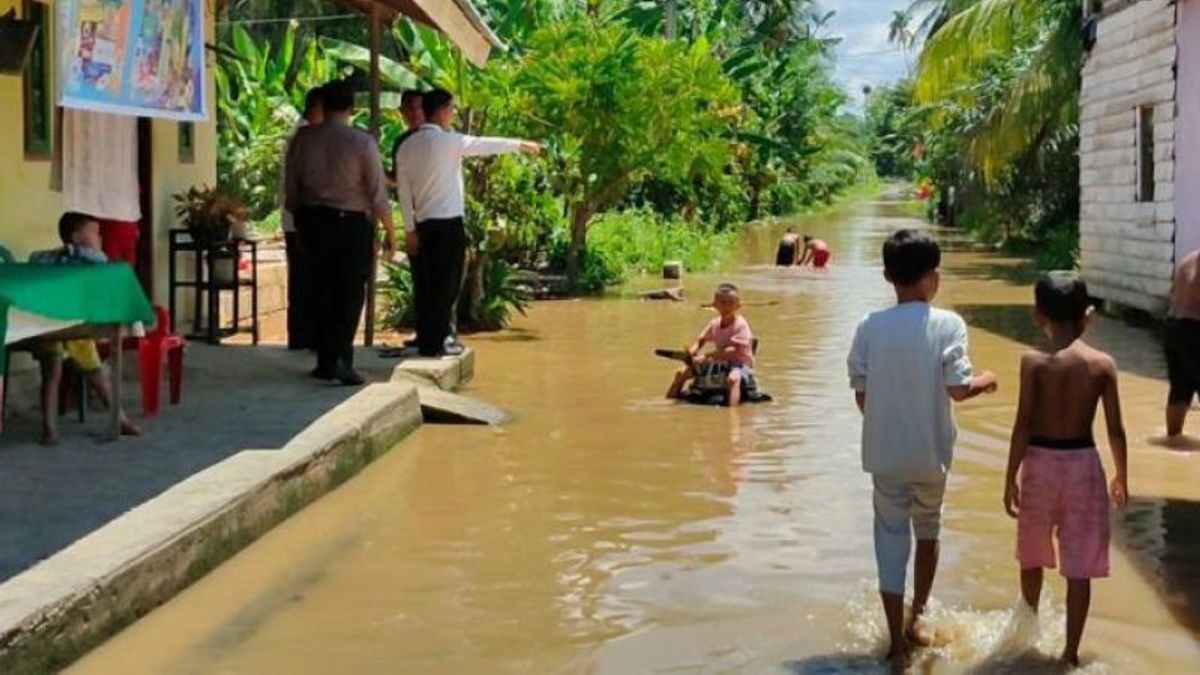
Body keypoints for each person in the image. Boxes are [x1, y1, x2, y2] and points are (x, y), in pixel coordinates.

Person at [846, 229, 997, 665]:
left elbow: (862, 396)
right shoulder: (948, 323)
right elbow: (958, 388)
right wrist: (987, 381)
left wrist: (887, 423)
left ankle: (895, 643)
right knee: (928, 530)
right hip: (931, 456)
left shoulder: (869, 327)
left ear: (887, 275)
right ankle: (918, 617)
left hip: (885, 456)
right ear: (934, 276)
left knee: (889, 541)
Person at [1003, 272, 1128, 667]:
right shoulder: (1102, 364)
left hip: (1039, 464)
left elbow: (1023, 423)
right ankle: (1070, 654)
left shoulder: (1033, 362)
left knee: (1032, 556)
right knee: (1080, 566)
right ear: (1088, 316)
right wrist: (1122, 475)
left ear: (1038, 316)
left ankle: (1029, 632)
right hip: (1083, 467)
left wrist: (1009, 476)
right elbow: (1116, 430)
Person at [395, 88, 543, 358]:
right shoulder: (450, 142)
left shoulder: (406, 146)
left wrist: (409, 229)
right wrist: (520, 144)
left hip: (422, 224)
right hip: (449, 225)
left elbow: (403, 192)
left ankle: (429, 338)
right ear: (441, 111)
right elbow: (485, 144)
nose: (452, 115)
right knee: (448, 284)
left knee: (427, 283)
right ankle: (437, 341)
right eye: (451, 110)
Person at [284, 80, 397, 385]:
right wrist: (390, 231)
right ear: (351, 107)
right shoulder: (361, 142)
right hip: (350, 224)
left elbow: (290, 188)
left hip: (311, 220)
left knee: (319, 290)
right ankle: (341, 358)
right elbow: (377, 193)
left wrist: (301, 216)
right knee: (348, 292)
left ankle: (325, 360)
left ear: (324, 105)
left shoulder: (303, 139)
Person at [30, 212, 141, 446]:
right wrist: (67, 252)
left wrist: (76, 252)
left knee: (97, 374)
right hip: (49, 324)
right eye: (95, 233)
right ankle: (49, 428)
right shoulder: (55, 258)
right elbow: (34, 259)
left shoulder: (93, 261)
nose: (100, 238)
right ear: (77, 237)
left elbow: (100, 260)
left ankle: (119, 418)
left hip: (77, 326)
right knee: (52, 372)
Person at [280, 86, 325, 351]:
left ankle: (303, 335)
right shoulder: (304, 137)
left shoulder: (302, 135)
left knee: (303, 279)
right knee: (305, 280)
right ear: (317, 109)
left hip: (297, 219)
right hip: (301, 219)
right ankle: (303, 336)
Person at [666, 283, 756, 407]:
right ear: (715, 305)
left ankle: (733, 413)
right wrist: (691, 354)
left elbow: (732, 350)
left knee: (733, 379)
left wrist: (705, 357)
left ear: (738, 305)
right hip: (718, 361)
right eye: (723, 303)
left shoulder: (741, 324)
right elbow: (700, 340)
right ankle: (669, 403)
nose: (727, 307)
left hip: (739, 363)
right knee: (681, 373)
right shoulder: (714, 323)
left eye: (731, 303)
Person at [389, 90, 427, 351]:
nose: (413, 114)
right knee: (420, 279)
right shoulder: (401, 143)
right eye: (408, 110)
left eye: (418, 108)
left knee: (441, 281)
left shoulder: (437, 139)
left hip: (436, 215)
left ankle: (442, 332)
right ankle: (424, 332)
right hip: (413, 217)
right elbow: (398, 181)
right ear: (401, 113)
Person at [1165, 248, 1200, 438]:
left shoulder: (1188, 259)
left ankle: (1173, 438)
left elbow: (1171, 294)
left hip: (1173, 327)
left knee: (1179, 390)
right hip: (1195, 328)